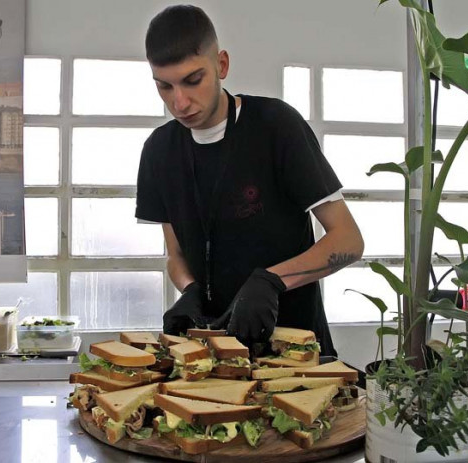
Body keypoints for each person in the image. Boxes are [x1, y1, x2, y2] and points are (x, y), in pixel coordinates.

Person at [136, 4, 364, 356]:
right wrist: (189, 288)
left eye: (193, 80)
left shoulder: (277, 127)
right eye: (164, 86)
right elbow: (176, 253)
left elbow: (348, 240)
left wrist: (272, 281)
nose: (179, 102)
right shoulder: (158, 151)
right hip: (214, 353)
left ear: (222, 65)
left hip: (295, 351)